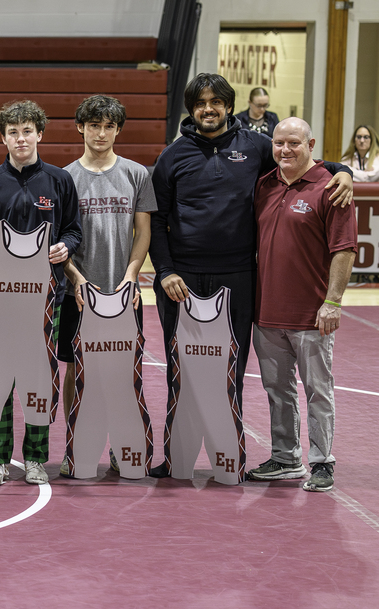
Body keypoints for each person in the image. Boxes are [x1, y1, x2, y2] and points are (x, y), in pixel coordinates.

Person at [149, 73, 352, 477]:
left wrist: (342, 169)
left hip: (239, 277)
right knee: (180, 370)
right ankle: (177, 459)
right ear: (191, 109)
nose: (209, 108)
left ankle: (229, 459)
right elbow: (155, 220)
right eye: (201, 102)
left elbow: (298, 158)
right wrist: (166, 270)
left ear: (228, 105)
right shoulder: (172, 156)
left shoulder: (256, 146)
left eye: (217, 101)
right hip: (181, 280)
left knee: (232, 370)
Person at [0, 100, 82, 487]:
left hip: (46, 299)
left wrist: (66, 246)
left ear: (39, 134)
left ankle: (36, 458)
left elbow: (73, 230)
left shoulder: (60, 180)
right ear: (3, 137)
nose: (21, 138)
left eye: (27, 131)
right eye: (13, 132)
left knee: (38, 376)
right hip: (0, 299)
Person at [244, 117, 356, 493]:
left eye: (294, 143)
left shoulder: (331, 188)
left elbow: (344, 250)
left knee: (317, 390)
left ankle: (322, 461)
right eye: (279, 144)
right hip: (267, 313)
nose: (285, 150)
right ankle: (286, 457)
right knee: (278, 391)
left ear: (310, 144)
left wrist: (333, 302)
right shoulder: (264, 185)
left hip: (312, 315)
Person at [57, 95, 156, 477]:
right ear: (80, 127)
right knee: (74, 370)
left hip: (124, 293)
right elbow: (57, 240)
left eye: (109, 126)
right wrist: (77, 279)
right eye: (94, 125)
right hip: (77, 293)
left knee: (122, 371)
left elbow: (143, 231)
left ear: (118, 129)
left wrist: (132, 274)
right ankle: (76, 445)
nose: (101, 133)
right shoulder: (64, 177)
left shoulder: (136, 174)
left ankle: (120, 445)